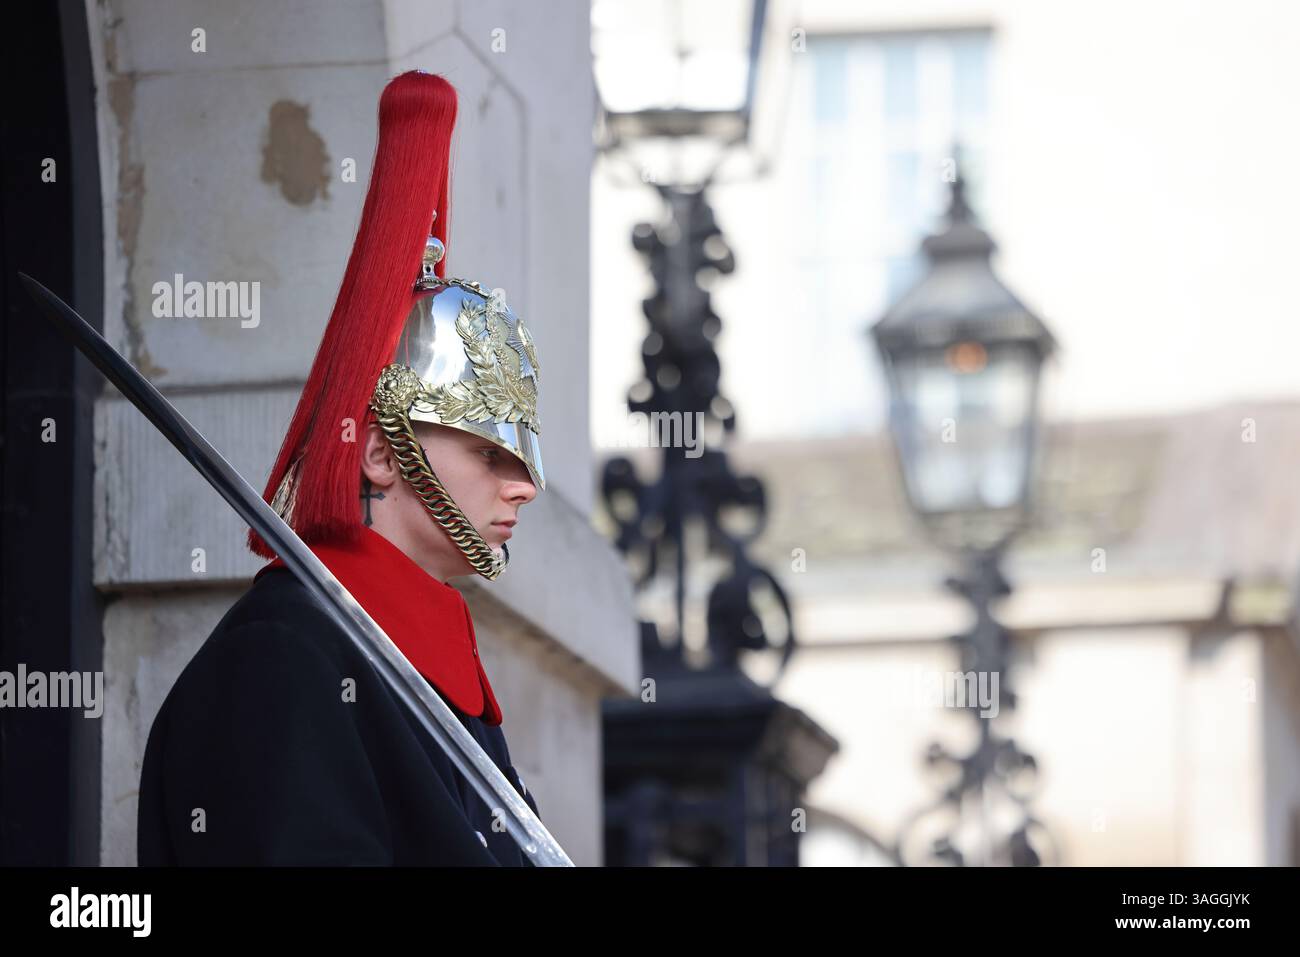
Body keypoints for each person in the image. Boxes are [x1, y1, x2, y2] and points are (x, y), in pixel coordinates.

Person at [137, 70, 546, 866]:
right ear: (382, 453)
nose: (523, 483)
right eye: (489, 450)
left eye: (522, 455)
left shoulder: (437, 678)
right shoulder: (284, 659)